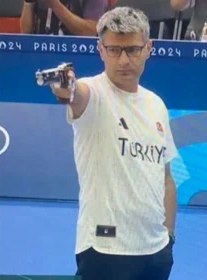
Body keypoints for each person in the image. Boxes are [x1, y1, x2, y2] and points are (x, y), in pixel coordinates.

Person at [50, 7, 177, 280]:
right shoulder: (92, 92)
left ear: (148, 48)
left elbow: (166, 178)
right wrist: (66, 88)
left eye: (132, 50)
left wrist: (169, 238)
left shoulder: (157, 105)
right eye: (114, 50)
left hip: (156, 252)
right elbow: (75, 94)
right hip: (104, 249)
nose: (123, 60)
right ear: (100, 50)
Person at [20, 0, 110, 36]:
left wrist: (55, 5)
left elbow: (91, 31)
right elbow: (26, 30)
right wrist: (28, 2)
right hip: (40, 52)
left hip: (77, 55)